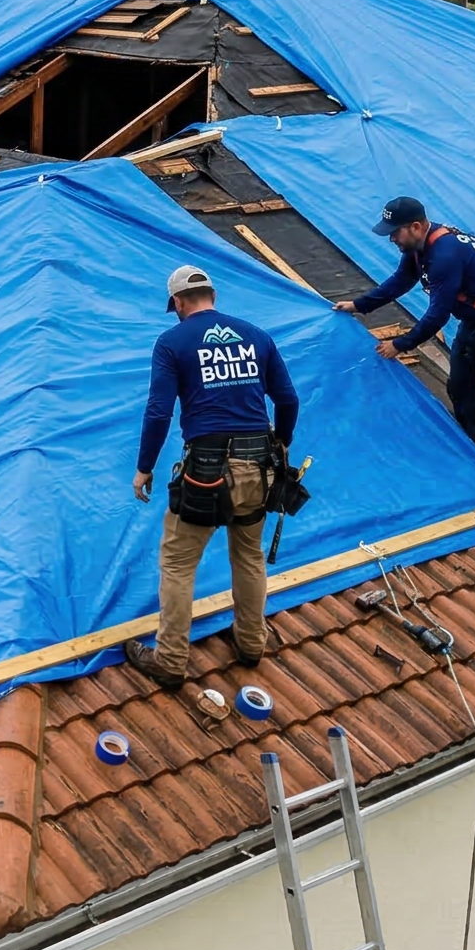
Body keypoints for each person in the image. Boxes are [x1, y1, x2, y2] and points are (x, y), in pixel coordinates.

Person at [125, 264, 300, 686]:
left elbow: (159, 411)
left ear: (179, 303)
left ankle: (170, 661)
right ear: (214, 296)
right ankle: (251, 643)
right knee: (249, 555)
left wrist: (144, 466)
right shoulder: (256, 336)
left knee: (179, 562)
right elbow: (288, 399)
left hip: (206, 471)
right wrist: (282, 442)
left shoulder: (172, 342)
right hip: (259, 466)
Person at [337, 196, 475, 510]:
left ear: (416, 226)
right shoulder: (418, 249)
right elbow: (400, 281)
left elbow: (438, 314)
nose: (392, 239)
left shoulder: (445, 254)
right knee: (460, 388)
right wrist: (360, 305)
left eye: (395, 232)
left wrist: (400, 344)